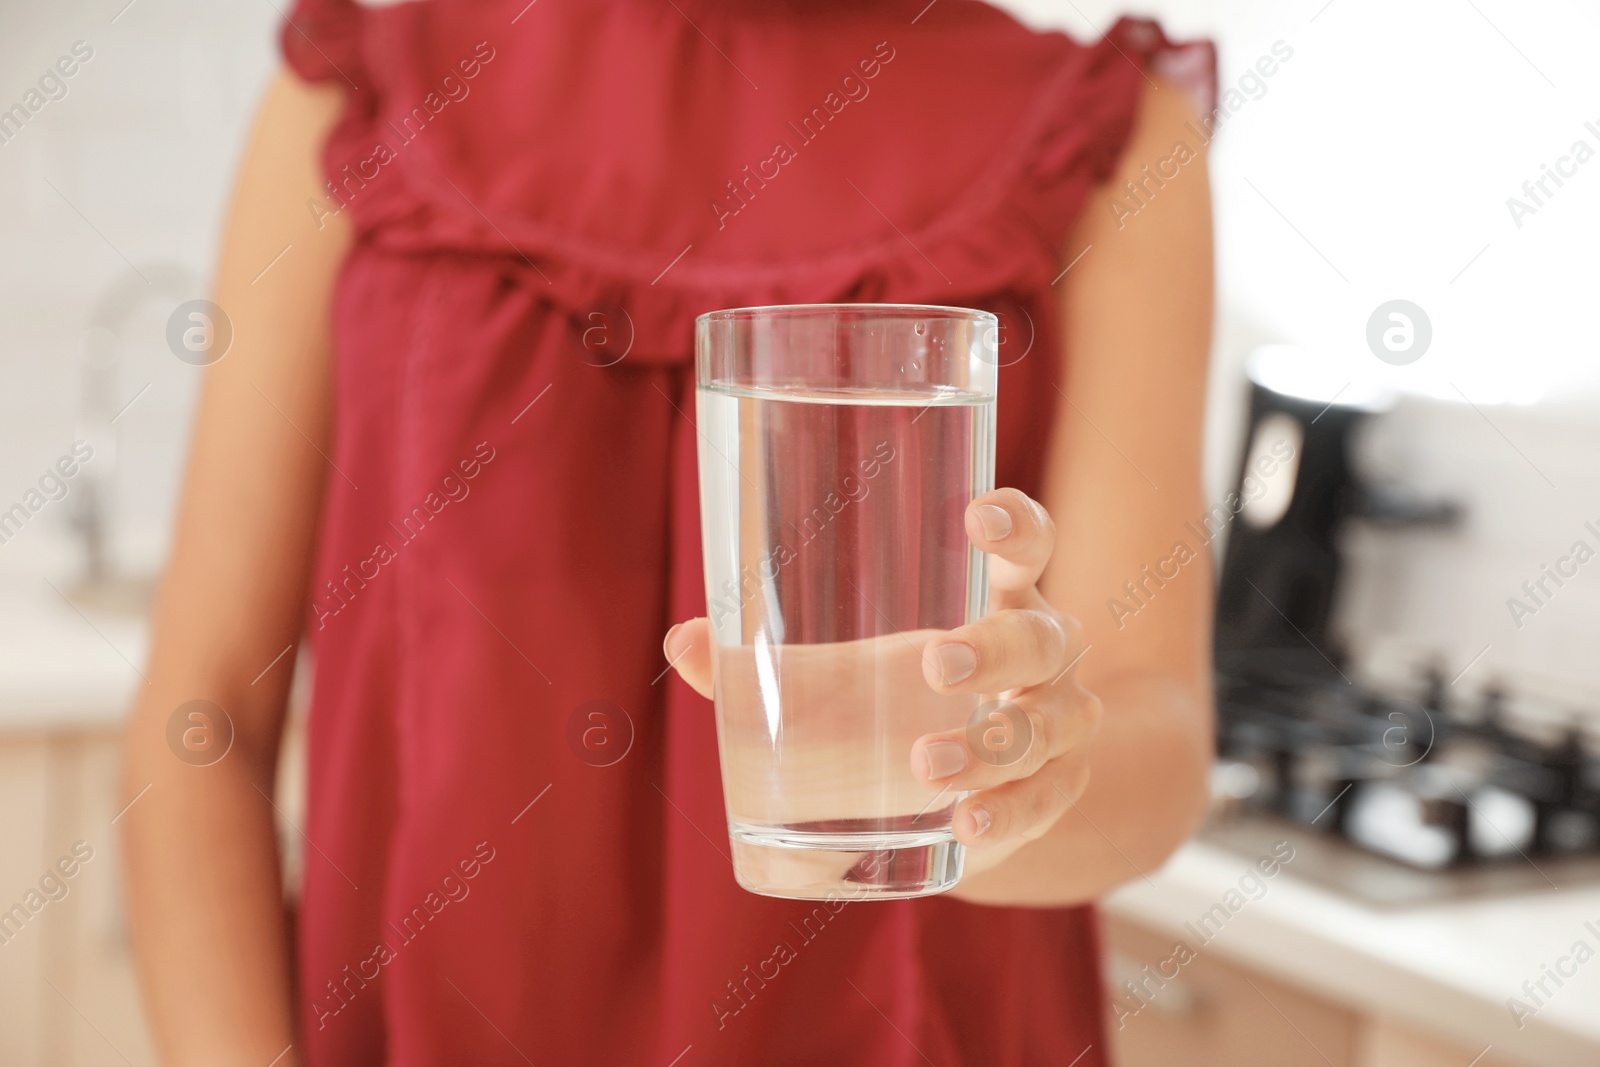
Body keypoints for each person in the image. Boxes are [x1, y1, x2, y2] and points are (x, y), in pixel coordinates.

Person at [120, 1, 1217, 1063]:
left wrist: (1024, 786)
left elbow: (1154, 732)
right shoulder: (366, 95)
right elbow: (204, 713)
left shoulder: (1107, 136)